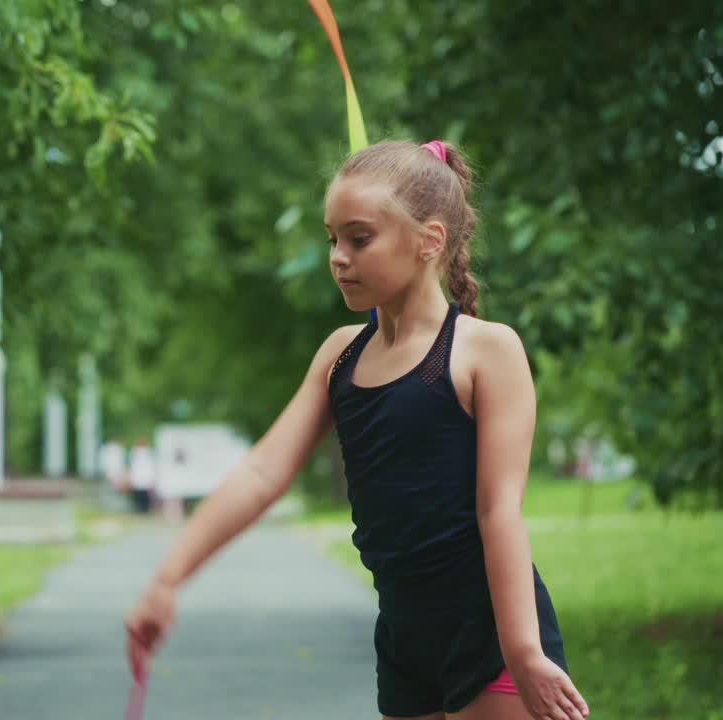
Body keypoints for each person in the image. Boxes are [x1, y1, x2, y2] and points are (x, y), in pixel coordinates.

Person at [123, 139, 589, 720]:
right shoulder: (340, 356)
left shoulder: (485, 350)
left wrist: (523, 651)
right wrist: (168, 579)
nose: (338, 257)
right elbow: (263, 471)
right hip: (403, 640)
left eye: (359, 238)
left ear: (430, 241)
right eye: (332, 238)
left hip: (491, 634)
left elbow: (499, 510)